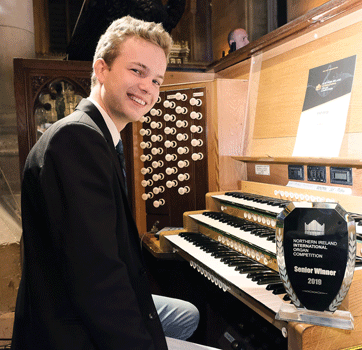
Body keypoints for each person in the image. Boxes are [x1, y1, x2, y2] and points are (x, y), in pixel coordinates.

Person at [12, 15, 199, 350]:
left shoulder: (93, 134)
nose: (148, 88)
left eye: (156, 80)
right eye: (137, 71)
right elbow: (96, 281)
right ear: (101, 70)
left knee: (188, 315)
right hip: (70, 328)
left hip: (73, 301)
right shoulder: (77, 141)